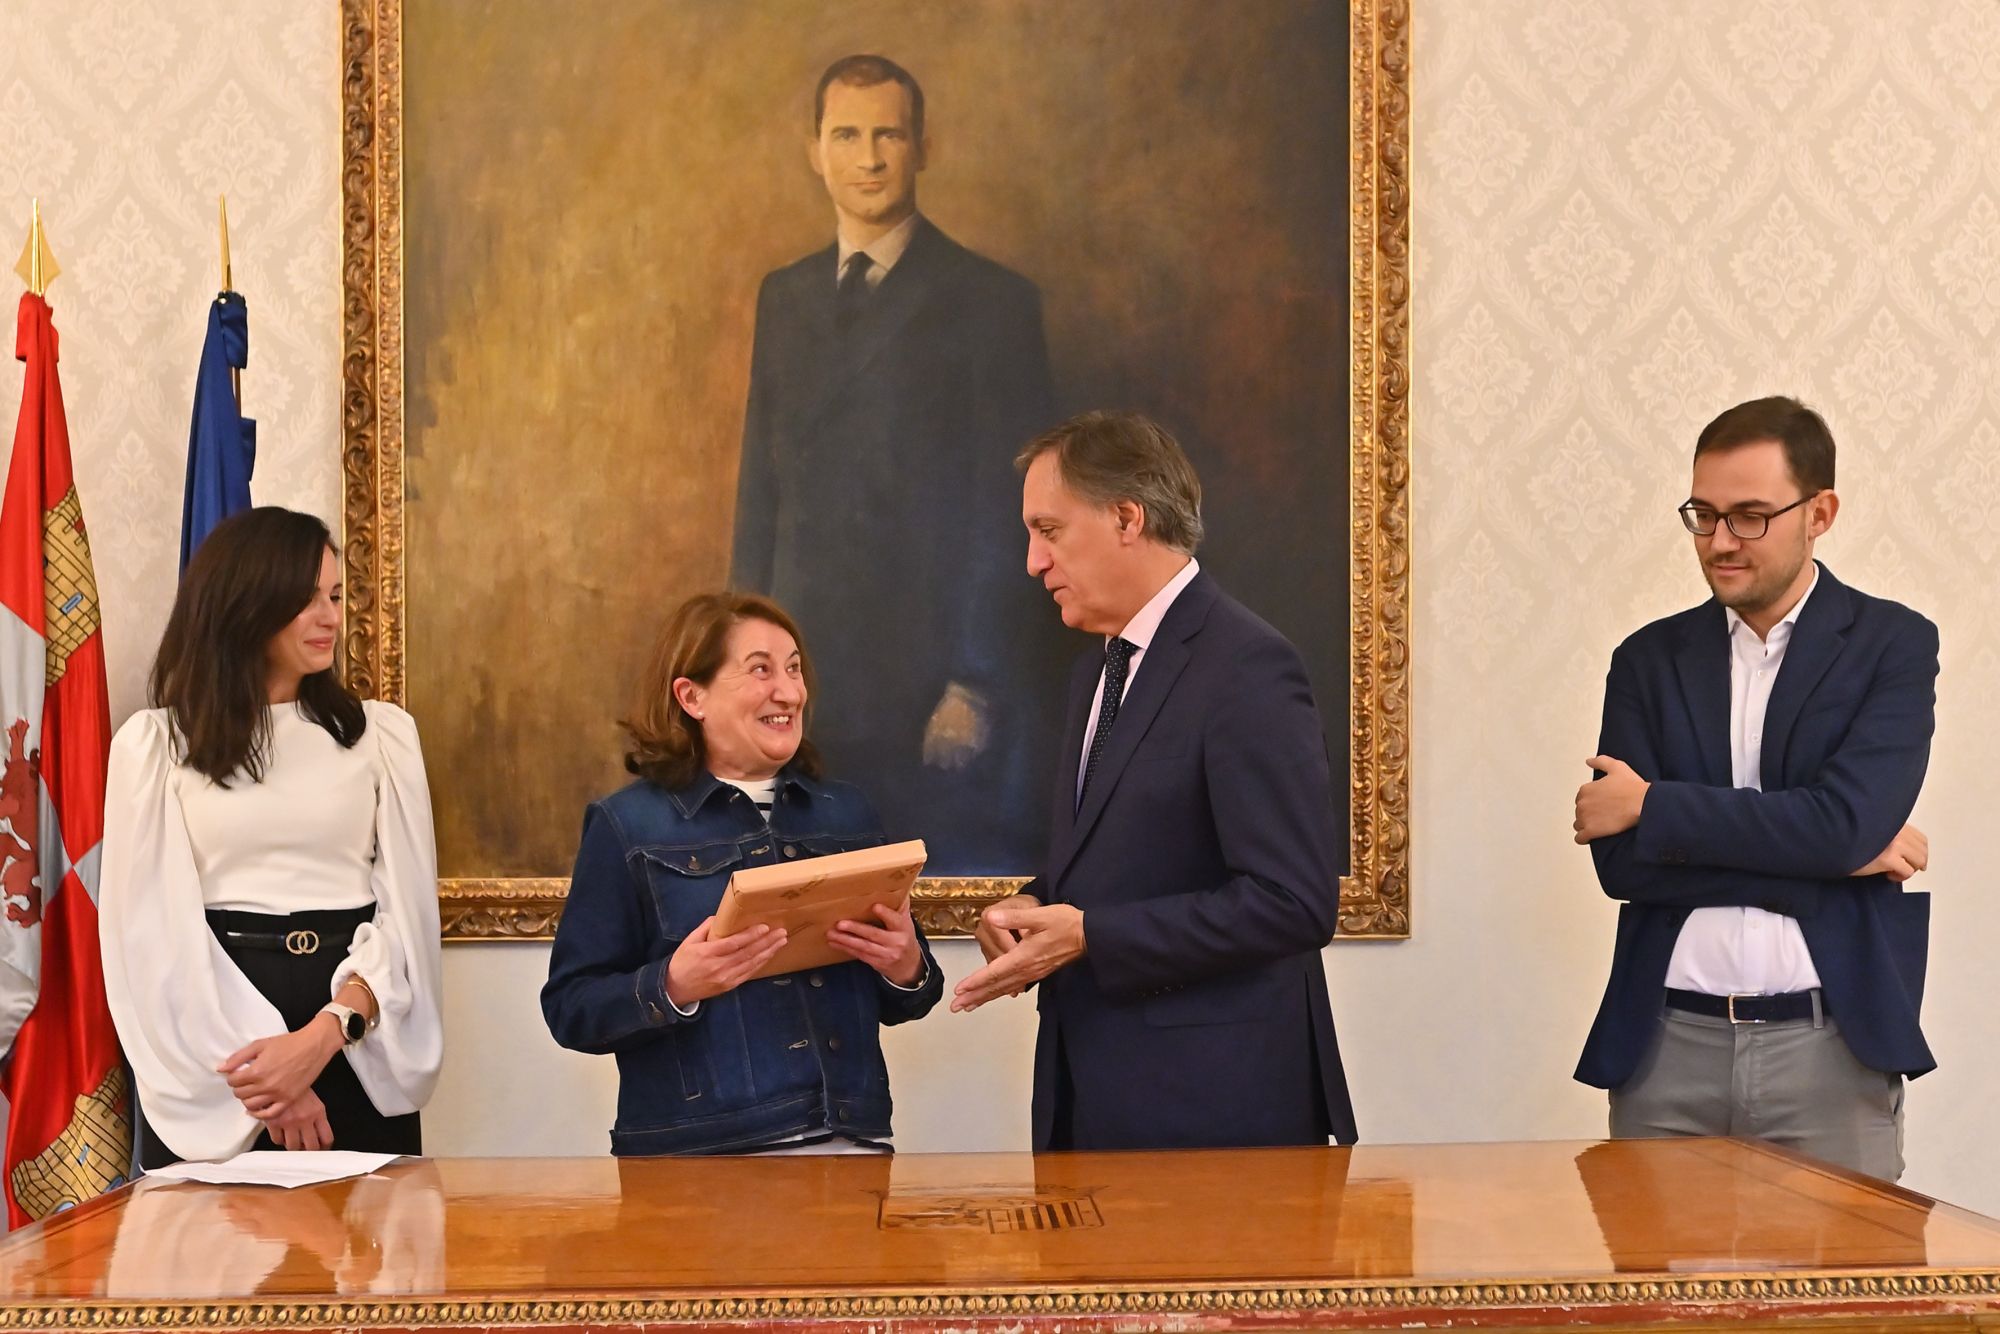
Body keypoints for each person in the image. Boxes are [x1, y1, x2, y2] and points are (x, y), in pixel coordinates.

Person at [953, 410, 1356, 1151]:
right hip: (1093, 1099)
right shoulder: (1097, 670)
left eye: (1049, 530)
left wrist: (1089, 935)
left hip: (1216, 1116)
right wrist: (1037, 902)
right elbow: (1129, 851)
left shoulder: (1247, 667)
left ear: (1126, 518)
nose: (1033, 563)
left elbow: (1294, 903)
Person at [1572, 395, 1938, 1180]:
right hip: (1665, 1050)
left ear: (1821, 511)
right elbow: (1623, 868)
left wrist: (1654, 806)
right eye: (1703, 515)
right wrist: (1831, 856)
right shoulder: (1647, 660)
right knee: (1655, 1302)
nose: (1720, 542)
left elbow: (1842, 824)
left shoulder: (1893, 646)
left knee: (1848, 1302)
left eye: (1749, 516)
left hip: (1832, 1045)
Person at [731, 54, 1061, 872]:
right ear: (815, 150)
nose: (869, 157)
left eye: (889, 134)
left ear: (923, 148)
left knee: (913, 908)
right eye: (847, 134)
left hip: (930, 688)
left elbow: (1009, 514)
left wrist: (974, 684)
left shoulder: (991, 301)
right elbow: (760, 496)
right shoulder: (786, 295)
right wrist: (741, 665)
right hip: (804, 681)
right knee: (798, 901)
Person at [542, 591, 944, 1156]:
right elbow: (570, 1008)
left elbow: (913, 996)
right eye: (760, 670)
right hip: (699, 1162)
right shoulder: (625, 825)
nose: (789, 691)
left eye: (795, 669)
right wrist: (674, 985)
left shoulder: (849, 815)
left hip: (853, 1146)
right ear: (692, 696)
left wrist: (906, 967)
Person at [100, 507, 443, 1167]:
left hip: (358, 1037)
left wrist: (323, 1038)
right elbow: (148, 939)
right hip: (215, 1055)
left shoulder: (382, 737)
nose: (330, 617)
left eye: (337, 596)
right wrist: (272, 1083)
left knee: (360, 1258)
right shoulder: (155, 747)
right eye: (306, 599)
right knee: (224, 1262)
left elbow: (407, 919)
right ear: (246, 604)